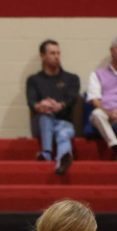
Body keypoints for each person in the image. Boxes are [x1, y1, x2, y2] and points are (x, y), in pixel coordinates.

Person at [26, 39, 79, 175]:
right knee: (45, 116)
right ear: (43, 56)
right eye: (52, 53)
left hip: (64, 122)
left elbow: (72, 98)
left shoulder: (71, 79)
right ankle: (47, 153)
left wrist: (59, 105)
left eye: (58, 53)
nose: (56, 56)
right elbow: (31, 102)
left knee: (63, 133)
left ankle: (61, 161)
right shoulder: (34, 80)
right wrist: (41, 105)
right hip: (42, 124)